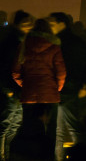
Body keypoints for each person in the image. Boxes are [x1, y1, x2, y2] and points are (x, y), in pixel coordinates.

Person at [47, 12, 86, 161]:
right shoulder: (74, 41)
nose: (49, 26)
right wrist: (85, 84)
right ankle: (79, 156)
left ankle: (61, 157)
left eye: (52, 23)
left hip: (63, 89)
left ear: (61, 24)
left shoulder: (57, 42)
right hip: (70, 88)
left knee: (60, 128)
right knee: (70, 126)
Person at [11, 18, 66, 145]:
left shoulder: (24, 45)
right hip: (49, 94)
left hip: (29, 94)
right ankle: (48, 156)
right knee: (51, 131)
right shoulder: (54, 47)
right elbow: (61, 71)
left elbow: (16, 72)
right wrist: (57, 87)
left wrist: (24, 85)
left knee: (29, 130)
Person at [0, 11, 34, 159]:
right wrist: (7, 89)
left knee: (12, 123)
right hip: (12, 90)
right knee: (7, 123)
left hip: (17, 89)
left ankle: (5, 154)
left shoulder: (20, 40)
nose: (28, 26)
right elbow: (4, 66)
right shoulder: (13, 42)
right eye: (25, 23)